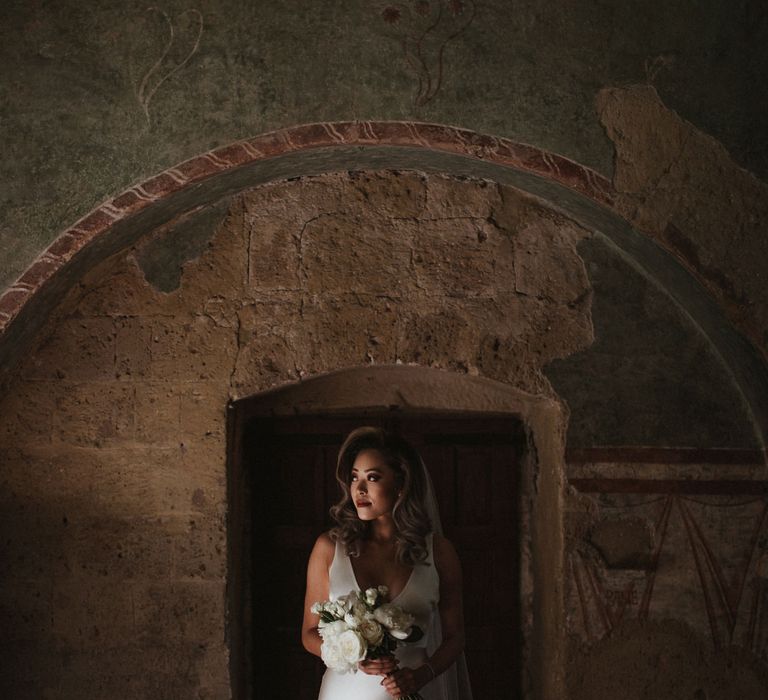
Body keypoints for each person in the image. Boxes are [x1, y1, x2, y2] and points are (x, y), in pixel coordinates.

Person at [301, 426, 473, 699]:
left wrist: (421, 676)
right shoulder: (329, 548)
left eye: (373, 477)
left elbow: (456, 638)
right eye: (355, 477)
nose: (359, 489)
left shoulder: (439, 553)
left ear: (401, 485)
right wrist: (354, 657)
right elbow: (309, 633)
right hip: (346, 692)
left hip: (414, 689)